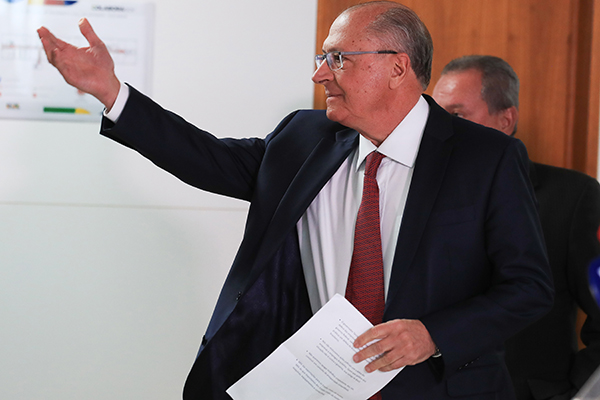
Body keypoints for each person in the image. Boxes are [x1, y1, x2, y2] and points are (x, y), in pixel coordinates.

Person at [38, 2, 554, 399]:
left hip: (440, 389)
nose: (320, 74)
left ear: (397, 67)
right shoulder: (304, 138)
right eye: (322, 58)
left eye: (338, 59)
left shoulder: (487, 157)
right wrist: (111, 92)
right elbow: (206, 159)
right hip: (315, 385)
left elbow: (528, 287)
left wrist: (432, 335)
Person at [433, 54, 600, 400]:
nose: (441, 129)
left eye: (457, 115)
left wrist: (577, 394)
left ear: (506, 120)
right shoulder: (420, 195)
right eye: (436, 115)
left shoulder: (574, 197)